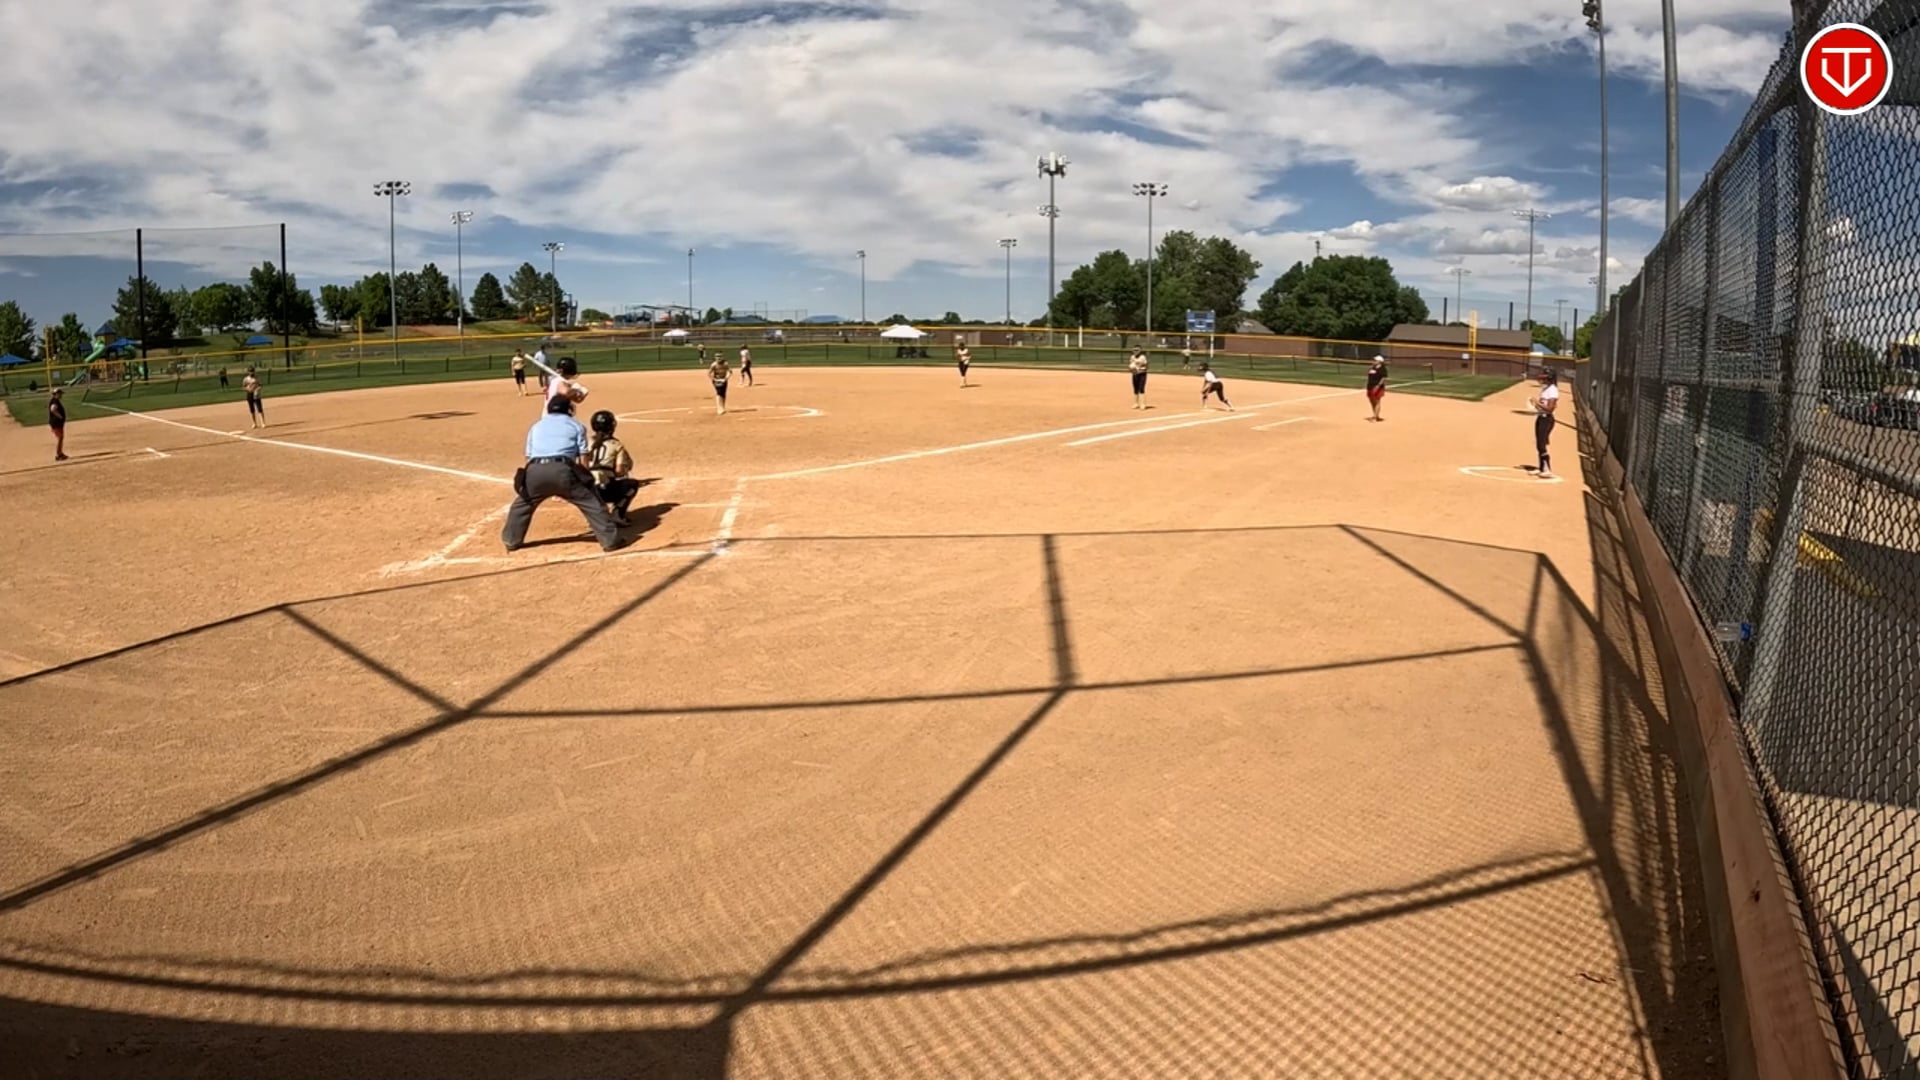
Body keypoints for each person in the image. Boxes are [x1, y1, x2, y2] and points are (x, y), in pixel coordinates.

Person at [501, 395, 625, 552]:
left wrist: (529, 483)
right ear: (569, 409)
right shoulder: (576, 426)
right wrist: (586, 480)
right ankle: (610, 541)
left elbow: (528, 458)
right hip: (563, 470)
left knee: (522, 505)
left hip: (535, 470)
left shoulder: (536, 426)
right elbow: (583, 458)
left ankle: (511, 540)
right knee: (592, 503)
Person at [587, 410, 640, 525]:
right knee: (632, 484)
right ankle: (617, 514)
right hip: (604, 489)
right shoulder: (616, 445)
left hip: (585, 491)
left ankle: (596, 515)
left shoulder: (586, 442)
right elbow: (619, 471)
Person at [1531, 368, 1561, 478]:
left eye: (1545, 376)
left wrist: (1537, 403)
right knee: (1539, 443)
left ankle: (1547, 469)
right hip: (1541, 417)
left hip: (1546, 419)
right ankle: (1541, 468)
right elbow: (1543, 405)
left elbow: (1550, 409)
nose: (1542, 378)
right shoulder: (1546, 389)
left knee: (1541, 444)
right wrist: (1536, 405)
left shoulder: (1553, 390)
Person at [1365, 355, 1388, 421]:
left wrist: (1378, 385)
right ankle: (1375, 415)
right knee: (1372, 401)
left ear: (1379, 361)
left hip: (1378, 387)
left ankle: (1375, 417)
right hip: (1370, 386)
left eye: (1375, 360)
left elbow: (1384, 378)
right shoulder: (1372, 367)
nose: (1374, 361)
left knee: (1377, 401)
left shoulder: (1382, 369)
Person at [48, 387, 68, 461]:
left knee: (60, 438)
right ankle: (58, 454)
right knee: (60, 438)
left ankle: (60, 453)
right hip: (56, 423)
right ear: (56, 394)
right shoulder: (55, 401)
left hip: (57, 423)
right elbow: (53, 409)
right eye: (60, 394)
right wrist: (60, 416)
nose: (61, 395)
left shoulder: (55, 400)